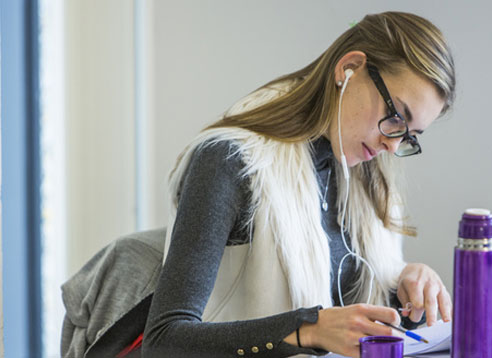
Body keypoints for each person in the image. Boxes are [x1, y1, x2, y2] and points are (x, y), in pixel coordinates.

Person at [143, 11, 456, 358]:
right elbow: (164, 342)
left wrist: (403, 290)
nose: (392, 145)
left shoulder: (364, 178)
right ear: (348, 68)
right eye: (396, 117)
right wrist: (308, 329)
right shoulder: (231, 162)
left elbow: (348, 319)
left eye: (409, 136)